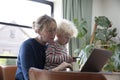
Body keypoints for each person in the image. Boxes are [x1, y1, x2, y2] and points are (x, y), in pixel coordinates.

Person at [15, 15, 73, 80]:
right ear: (39, 31)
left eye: (54, 30)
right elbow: (30, 78)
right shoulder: (27, 46)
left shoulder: (49, 47)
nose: (53, 34)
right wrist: (59, 68)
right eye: (50, 31)